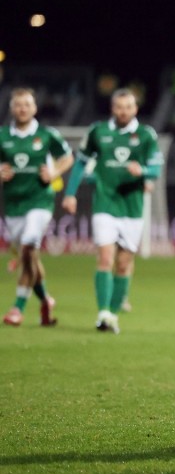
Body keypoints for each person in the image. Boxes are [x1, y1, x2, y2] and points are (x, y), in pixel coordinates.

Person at [61, 88, 163, 334]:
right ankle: (103, 313)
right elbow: (80, 164)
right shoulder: (98, 132)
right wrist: (70, 193)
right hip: (105, 205)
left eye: (128, 107)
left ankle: (114, 315)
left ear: (135, 109)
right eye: (119, 107)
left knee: (124, 263)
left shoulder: (146, 135)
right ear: (112, 108)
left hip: (132, 207)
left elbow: (156, 168)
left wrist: (144, 172)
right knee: (105, 257)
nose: (123, 111)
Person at [1, 88, 74, 327]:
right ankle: (45, 300)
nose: (22, 108)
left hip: (40, 201)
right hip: (13, 204)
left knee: (29, 245)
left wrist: (54, 172)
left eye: (27, 104)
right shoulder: (2, 136)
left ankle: (17, 308)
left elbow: (68, 157)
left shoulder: (46, 135)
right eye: (18, 104)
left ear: (35, 108)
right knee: (30, 254)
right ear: (12, 108)